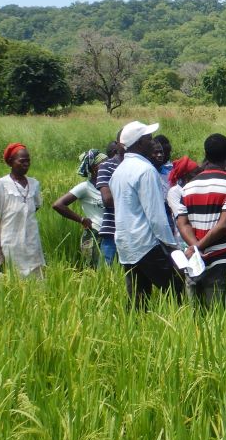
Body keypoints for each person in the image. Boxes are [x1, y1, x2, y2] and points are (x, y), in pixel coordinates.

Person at [110, 121, 182, 310]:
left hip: (126, 245)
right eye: (148, 139)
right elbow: (156, 216)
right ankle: (190, 330)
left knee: (138, 300)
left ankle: (134, 334)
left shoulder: (119, 171)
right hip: (146, 244)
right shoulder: (146, 170)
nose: (153, 142)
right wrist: (171, 246)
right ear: (140, 144)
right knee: (179, 291)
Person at [175, 134, 226, 308]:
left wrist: (195, 247)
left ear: (205, 153)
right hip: (220, 259)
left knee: (196, 317)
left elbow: (182, 223)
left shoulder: (188, 187)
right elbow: (222, 226)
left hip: (193, 260)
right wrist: (199, 248)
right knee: (219, 317)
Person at [0, 143, 45, 278]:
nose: (26, 164)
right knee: (8, 283)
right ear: (11, 162)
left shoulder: (34, 184)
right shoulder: (0, 185)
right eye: (22, 161)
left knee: (35, 286)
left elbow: (34, 208)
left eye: (28, 160)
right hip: (9, 245)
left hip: (31, 244)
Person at [52, 149, 107, 268]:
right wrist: (82, 219)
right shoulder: (85, 187)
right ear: (94, 168)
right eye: (104, 164)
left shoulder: (109, 186)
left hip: (110, 235)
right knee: (95, 272)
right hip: (94, 235)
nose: (108, 166)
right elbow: (58, 205)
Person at [95, 134, 126, 266]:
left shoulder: (140, 165)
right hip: (111, 229)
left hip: (134, 232)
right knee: (107, 276)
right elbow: (107, 199)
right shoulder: (106, 166)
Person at [166, 156, 200, 247]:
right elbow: (181, 217)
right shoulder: (174, 192)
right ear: (186, 175)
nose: (198, 176)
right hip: (184, 239)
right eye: (195, 173)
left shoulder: (195, 188)